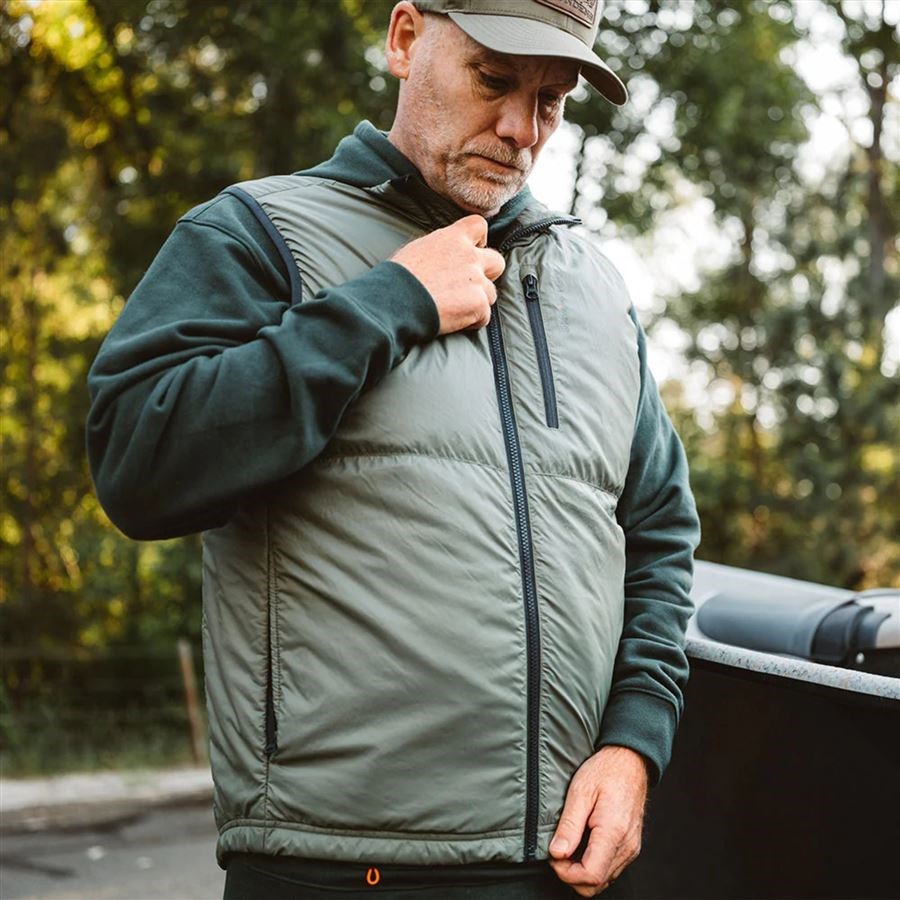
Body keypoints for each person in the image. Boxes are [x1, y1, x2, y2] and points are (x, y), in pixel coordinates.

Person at [87, 1, 700, 897]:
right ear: (406, 38)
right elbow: (137, 463)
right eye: (494, 78)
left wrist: (634, 743)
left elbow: (660, 536)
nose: (521, 129)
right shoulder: (254, 234)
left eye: (551, 100)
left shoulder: (594, 288)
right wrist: (389, 302)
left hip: (557, 870)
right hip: (333, 868)